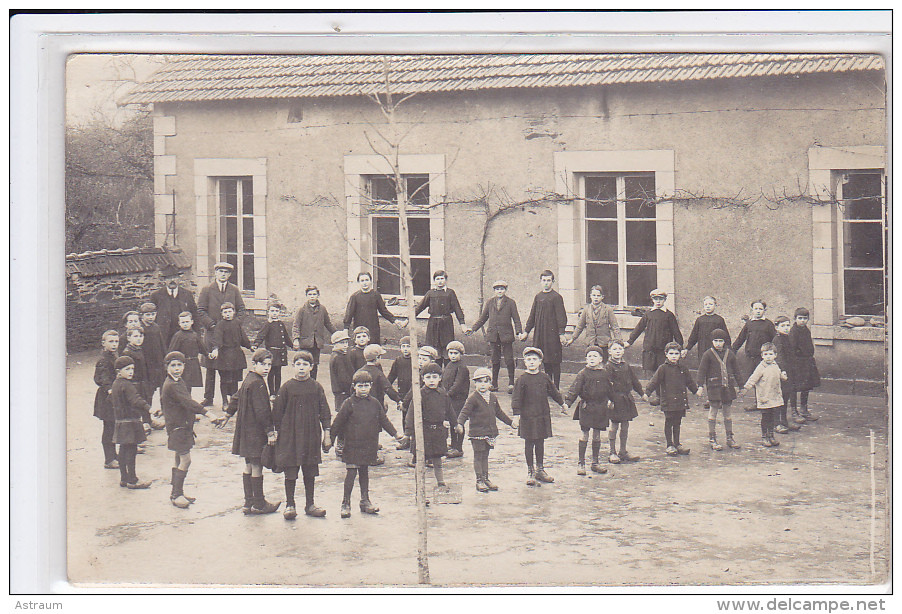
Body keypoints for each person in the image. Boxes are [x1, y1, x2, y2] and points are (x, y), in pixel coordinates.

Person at [331, 369, 407, 518]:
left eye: (366, 386)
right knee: (351, 473)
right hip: (352, 445)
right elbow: (337, 423)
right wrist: (329, 439)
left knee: (364, 472)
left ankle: (365, 501)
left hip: (368, 444)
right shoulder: (348, 403)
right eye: (360, 386)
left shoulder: (374, 403)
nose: (363, 389)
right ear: (354, 386)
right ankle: (345, 503)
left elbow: (384, 421)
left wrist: (396, 434)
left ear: (371, 386)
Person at [272, 351, 332, 520]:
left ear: (311, 367)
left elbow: (325, 412)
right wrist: (277, 434)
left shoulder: (316, 387)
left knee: (310, 470)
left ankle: (310, 504)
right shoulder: (286, 387)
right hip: (290, 436)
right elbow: (277, 414)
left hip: (311, 435)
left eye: (305, 364)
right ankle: (290, 505)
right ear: (293, 366)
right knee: (290, 471)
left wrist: (327, 434)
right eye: (298, 364)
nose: (301, 368)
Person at [220, 349, 280, 515]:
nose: (267, 368)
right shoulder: (258, 383)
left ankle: (248, 502)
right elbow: (262, 411)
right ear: (254, 364)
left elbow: (236, 397)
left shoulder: (249, 379)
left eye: (269, 364)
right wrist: (269, 432)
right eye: (263, 364)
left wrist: (227, 415)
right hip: (255, 432)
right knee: (257, 465)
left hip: (245, 431)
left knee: (248, 464)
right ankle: (259, 504)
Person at [160, 351, 223, 508]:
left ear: (184, 366)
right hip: (178, 427)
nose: (176, 369)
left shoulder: (177, 381)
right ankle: (177, 494)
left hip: (180, 426)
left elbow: (181, 403)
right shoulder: (172, 385)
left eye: (179, 365)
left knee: (178, 458)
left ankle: (176, 492)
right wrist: (208, 413)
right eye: (172, 365)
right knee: (186, 460)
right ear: (166, 367)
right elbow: (188, 402)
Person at [511, 347, 568, 485]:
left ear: (540, 362)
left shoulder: (544, 377)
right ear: (524, 362)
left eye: (534, 359)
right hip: (527, 417)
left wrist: (562, 403)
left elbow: (554, 391)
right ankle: (530, 470)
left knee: (540, 442)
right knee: (529, 443)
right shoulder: (522, 379)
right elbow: (516, 399)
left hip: (541, 414)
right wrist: (516, 415)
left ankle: (540, 470)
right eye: (528, 359)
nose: (531, 362)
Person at [456, 367, 514, 492]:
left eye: (485, 381)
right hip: (477, 433)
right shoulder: (473, 398)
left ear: (490, 383)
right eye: (479, 381)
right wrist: (460, 423)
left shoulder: (492, 397)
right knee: (478, 456)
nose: (482, 385)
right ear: (475, 383)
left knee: (485, 456)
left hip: (489, 433)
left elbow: (499, 412)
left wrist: (510, 423)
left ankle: (486, 478)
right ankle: (479, 480)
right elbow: (464, 412)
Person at [197, 262, 247, 408]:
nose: (223, 274)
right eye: (220, 271)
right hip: (212, 333)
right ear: (215, 273)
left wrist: (235, 324)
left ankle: (230, 398)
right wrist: (212, 325)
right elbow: (200, 310)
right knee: (211, 366)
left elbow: (242, 309)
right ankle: (208, 397)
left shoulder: (234, 290)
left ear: (230, 275)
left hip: (230, 337)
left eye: (226, 272)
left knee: (228, 368)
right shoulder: (207, 289)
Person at [625, 289, 683, 404]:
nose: (658, 301)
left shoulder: (669, 315)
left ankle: (663, 397)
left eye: (660, 299)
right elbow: (638, 328)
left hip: (663, 351)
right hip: (650, 350)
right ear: (652, 300)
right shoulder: (648, 314)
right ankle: (657, 396)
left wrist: (680, 346)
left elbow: (676, 332)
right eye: (655, 299)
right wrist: (629, 341)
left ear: (665, 300)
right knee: (653, 374)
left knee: (664, 373)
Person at [405, 362, 457, 489]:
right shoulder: (420, 394)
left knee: (438, 460)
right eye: (428, 377)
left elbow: (450, 410)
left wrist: (455, 424)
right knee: (420, 462)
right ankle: (420, 487)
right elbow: (411, 414)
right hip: (423, 432)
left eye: (435, 377)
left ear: (440, 378)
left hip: (438, 432)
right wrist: (408, 433)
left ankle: (441, 483)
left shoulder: (443, 394)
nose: (431, 380)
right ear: (423, 379)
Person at [645, 342, 703, 456]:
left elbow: (689, 382)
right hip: (668, 400)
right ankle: (669, 444)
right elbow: (654, 382)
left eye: (676, 353)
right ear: (666, 354)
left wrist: (696, 391)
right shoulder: (663, 368)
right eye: (671, 353)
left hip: (680, 400)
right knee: (669, 421)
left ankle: (677, 444)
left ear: (680, 355)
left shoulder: (683, 368)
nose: (674, 356)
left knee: (678, 422)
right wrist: (647, 393)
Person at [465, 280, 522, 393]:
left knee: (509, 360)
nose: (499, 291)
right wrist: (473, 329)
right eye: (497, 289)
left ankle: (511, 383)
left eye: (502, 289)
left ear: (505, 290)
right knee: (495, 360)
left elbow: (516, 319)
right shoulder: (490, 302)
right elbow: (483, 318)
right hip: (494, 336)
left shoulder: (511, 302)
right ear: (494, 290)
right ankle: (494, 383)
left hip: (506, 336)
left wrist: (519, 332)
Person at [566, 345, 615, 476]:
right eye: (589, 356)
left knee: (597, 435)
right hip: (586, 408)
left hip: (600, 408)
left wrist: (613, 401)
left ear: (601, 359)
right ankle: (581, 463)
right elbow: (574, 390)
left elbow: (610, 390)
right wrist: (567, 403)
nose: (592, 358)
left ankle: (595, 462)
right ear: (586, 359)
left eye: (595, 356)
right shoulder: (582, 374)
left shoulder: (605, 374)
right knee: (584, 434)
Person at [110, 356, 153, 489]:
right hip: (131, 422)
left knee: (123, 450)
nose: (130, 372)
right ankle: (132, 480)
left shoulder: (116, 384)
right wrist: (149, 408)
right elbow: (135, 400)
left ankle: (124, 478)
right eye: (127, 369)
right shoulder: (127, 385)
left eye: (132, 369)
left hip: (120, 422)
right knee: (131, 451)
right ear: (118, 371)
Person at [696, 329, 742, 451]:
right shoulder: (708, 354)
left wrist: (741, 386)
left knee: (727, 413)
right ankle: (712, 438)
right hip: (714, 388)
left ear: (724, 341)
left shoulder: (730, 354)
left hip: (727, 388)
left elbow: (737, 371)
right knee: (713, 411)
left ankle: (729, 438)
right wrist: (700, 386)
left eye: (720, 341)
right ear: (712, 341)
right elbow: (701, 371)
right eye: (715, 341)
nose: (718, 343)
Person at [521, 270, 568, 388]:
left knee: (554, 361)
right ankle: (547, 386)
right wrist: (526, 331)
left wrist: (561, 333)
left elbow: (561, 316)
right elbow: (532, 316)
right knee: (544, 360)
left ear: (553, 282)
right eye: (544, 280)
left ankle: (555, 387)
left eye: (549, 280)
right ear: (540, 282)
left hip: (552, 335)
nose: (546, 283)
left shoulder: (556, 297)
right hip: (540, 334)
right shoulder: (538, 297)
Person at [604, 340, 646, 463]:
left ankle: (623, 451)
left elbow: (634, 380)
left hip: (626, 399)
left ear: (623, 351)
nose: (617, 352)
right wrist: (608, 399)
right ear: (609, 351)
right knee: (614, 425)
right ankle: (612, 452)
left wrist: (642, 393)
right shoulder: (608, 367)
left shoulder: (626, 365)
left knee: (625, 424)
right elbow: (606, 385)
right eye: (615, 349)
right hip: (615, 399)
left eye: (620, 349)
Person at [739, 342, 787, 448]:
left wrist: (783, 376)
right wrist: (745, 389)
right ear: (762, 356)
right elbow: (753, 379)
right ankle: (764, 436)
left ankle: (771, 435)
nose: (768, 357)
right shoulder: (761, 367)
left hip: (774, 396)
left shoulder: (775, 365)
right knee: (766, 417)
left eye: (770, 354)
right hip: (764, 397)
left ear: (775, 355)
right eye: (765, 354)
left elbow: (778, 374)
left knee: (773, 417)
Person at [731, 300, 776, 410]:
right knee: (755, 379)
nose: (758, 311)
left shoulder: (768, 324)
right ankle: (758, 402)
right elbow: (741, 338)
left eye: (760, 309)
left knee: (765, 379)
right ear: (752, 310)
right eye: (756, 309)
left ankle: (767, 402)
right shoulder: (749, 324)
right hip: (751, 357)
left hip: (764, 358)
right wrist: (732, 350)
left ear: (765, 310)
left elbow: (774, 340)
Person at [415, 270, 465, 367]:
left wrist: (462, 324)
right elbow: (419, 308)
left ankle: (447, 373)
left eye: (442, 278)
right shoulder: (430, 293)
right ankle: (436, 371)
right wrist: (408, 319)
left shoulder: (450, 293)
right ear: (434, 281)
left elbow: (457, 309)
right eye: (437, 279)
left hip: (446, 324)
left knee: (447, 349)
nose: (440, 281)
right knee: (434, 350)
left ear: (446, 280)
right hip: (433, 324)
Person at [343, 272, 407, 345]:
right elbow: (349, 314)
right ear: (359, 282)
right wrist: (345, 329)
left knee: (374, 350)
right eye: (362, 280)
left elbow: (383, 311)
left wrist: (395, 321)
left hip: (373, 329)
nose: (365, 283)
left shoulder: (376, 295)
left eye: (367, 280)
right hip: (360, 329)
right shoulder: (355, 297)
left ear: (370, 281)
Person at [208, 302, 252, 409]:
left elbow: (243, 338)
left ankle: (233, 401)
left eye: (230, 311)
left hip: (236, 355)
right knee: (224, 379)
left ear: (234, 312)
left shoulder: (237, 323)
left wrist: (250, 346)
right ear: (222, 314)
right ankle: (224, 401)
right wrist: (216, 349)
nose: (228, 314)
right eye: (225, 312)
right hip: (224, 356)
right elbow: (217, 338)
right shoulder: (220, 325)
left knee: (235, 380)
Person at [567, 285, 622, 363]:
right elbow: (580, 326)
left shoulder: (608, 310)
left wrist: (619, 342)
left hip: (604, 343)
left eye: (598, 295)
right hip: (591, 343)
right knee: (592, 363)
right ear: (590, 296)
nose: (596, 297)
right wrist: (572, 339)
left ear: (602, 297)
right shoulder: (586, 310)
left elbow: (615, 327)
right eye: (594, 295)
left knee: (603, 363)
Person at [292, 286, 336, 380]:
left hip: (317, 343)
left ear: (318, 295)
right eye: (310, 294)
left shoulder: (322, 309)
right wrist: (296, 339)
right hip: (305, 343)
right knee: (303, 364)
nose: (312, 296)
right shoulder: (301, 309)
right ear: (307, 296)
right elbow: (296, 325)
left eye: (314, 294)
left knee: (314, 366)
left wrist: (337, 335)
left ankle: (312, 385)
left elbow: (328, 324)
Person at [149, 265, 198, 346]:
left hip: (183, 335)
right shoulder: (156, 296)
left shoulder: (187, 294)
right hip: (164, 336)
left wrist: (196, 336)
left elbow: (195, 316)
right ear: (164, 280)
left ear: (179, 279)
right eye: (169, 278)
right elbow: (152, 318)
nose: (172, 280)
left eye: (175, 277)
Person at [253, 302, 292, 398]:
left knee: (278, 373)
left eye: (276, 311)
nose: (274, 313)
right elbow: (261, 335)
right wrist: (256, 344)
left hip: (281, 352)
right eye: (272, 311)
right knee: (271, 373)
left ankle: (278, 392)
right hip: (272, 352)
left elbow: (286, 337)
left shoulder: (281, 324)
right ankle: (272, 393)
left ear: (279, 312)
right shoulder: (267, 324)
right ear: (268, 312)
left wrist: (292, 345)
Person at [94, 330, 120, 469]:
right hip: (107, 398)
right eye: (111, 341)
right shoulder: (103, 360)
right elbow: (102, 379)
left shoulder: (114, 356)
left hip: (114, 396)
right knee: (109, 428)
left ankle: (114, 455)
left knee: (114, 426)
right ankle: (109, 459)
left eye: (116, 341)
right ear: (103, 343)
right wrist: (110, 390)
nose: (114, 344)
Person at [789, 307, 820, 422]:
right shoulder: (793, 331)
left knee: (806, 386)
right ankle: (793, 411)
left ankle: (804, 409)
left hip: (807, 362)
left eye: (805, 318)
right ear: (795, 318)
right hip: (797, 363)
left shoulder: (806, 330)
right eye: (800, 318)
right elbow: (792, 348)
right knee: (794, 387)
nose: (802, 321)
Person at [772, 316, 801, 434]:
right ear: (776, 327)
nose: (786, 328)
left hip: (790, 372)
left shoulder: (787, 338)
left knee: (785, 398)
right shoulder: (777, 340)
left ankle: (784, 421)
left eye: (787, 325)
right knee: (778, 399)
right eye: (782, 326)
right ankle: (776, 423)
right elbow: (779, 357)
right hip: (781, 373)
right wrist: (782, 371)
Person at [441, 340, 470, 458]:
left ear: (461, 354)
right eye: (451, 353)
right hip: (449, 399)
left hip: (458, 399)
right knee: (452, 422)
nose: (453, 356)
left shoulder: (462, 368)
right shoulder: (449, 365)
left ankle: (459, 448)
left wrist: (447, 394)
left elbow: (457, 384)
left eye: (455, 353)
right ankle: (453, 445)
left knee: (458, 422)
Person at [328, 330, 354, 460]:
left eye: (346, 342)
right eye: (342, 343)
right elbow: (344, 378)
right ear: (335, 344)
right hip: (342, 394)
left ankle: (343, 444)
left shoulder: (342, 355)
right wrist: (352, 388)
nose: (345, 345)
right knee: (343, 420)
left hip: (343, 393)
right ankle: (340, 445)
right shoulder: (337, 358)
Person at [167, 312, 206, 394]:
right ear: (179, 323)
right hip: (183, 364)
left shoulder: (194, 335)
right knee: (182, 385)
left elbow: (202, 348)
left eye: (187, 322)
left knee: (189, 386)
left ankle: (188, 401)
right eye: (183, 322)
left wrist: (208, 354)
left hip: (193, 363)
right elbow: (172, 351)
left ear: (192, 322)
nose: (185, 324)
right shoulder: (178, 336)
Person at [139, 303, 166, 408]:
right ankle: (147, 415)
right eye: (148, 315)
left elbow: (161, 344)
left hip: (158, 363)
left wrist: (164, 359)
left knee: (163, 389)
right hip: (146, 364)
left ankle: (165, 411)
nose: (151, 317)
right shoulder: (140, 329)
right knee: (148, 391)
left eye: (153, 314)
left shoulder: (156, 327)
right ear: (142, 315)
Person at [360, 344, 402, 411]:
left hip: (362, 405)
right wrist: (398, 399)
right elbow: (388, 388)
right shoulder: (378, 373)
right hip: (376, 406)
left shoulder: (360, 372)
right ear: (377, 358)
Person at [387, 335, 413, 402]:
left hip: (413, 392)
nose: (405, 349)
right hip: (402, 391)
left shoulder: (416, 360)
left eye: (408, 346)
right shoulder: (398, 361)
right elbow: (391, 376)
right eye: (403, 346)